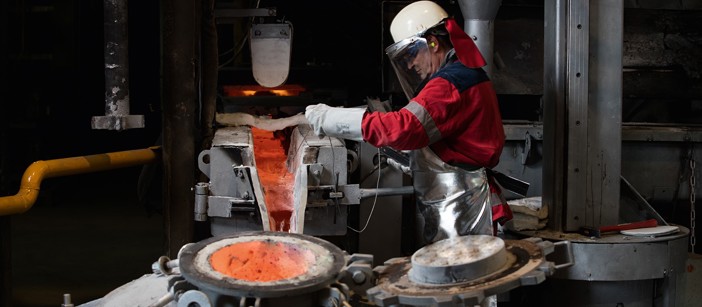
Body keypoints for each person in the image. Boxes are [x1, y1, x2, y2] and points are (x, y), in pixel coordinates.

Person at [305, 1, 511, 247]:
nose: (411, 64)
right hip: (459, 202)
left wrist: (329, 118)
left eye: (412, 54)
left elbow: (404, 128)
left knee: (465, 279)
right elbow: (449, 144)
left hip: (466, 208)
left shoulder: (451, 83)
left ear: (433, 43)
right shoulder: (463, 75)